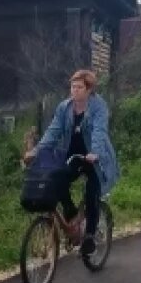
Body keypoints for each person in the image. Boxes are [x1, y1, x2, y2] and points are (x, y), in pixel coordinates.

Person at [23, 70, 121, 256]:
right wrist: (37, 151)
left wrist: (95, 153)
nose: (74, 91)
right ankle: (71, 216)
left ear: (89, 89)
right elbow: (54, 131)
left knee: (92, 192)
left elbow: (99, 131)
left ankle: (90, 236)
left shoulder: (98, 107)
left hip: (95, 158)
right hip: (72, 156)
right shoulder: (64, 108)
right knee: (56, 179)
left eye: (79, 87)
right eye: (72, 87)